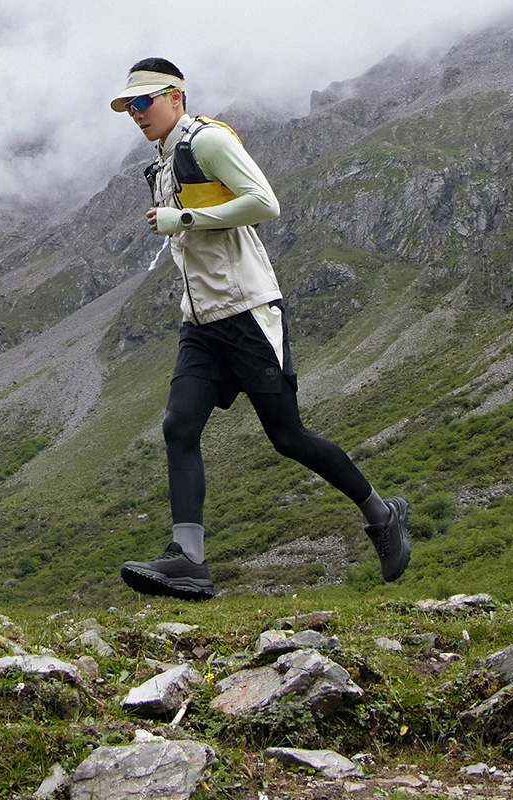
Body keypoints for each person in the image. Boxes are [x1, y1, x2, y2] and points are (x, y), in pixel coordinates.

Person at [110, 58, 410, 600]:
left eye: (143, 102)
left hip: (246, 312)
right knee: (179, 426)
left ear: (175, 97)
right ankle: (189, 560)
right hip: (200, 322)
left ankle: (381, 514)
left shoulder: (207, 141)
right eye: (128, 107)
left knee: (288, 437)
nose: (135, 114)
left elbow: (265, 203)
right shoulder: (162, 162)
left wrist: (183, 219)